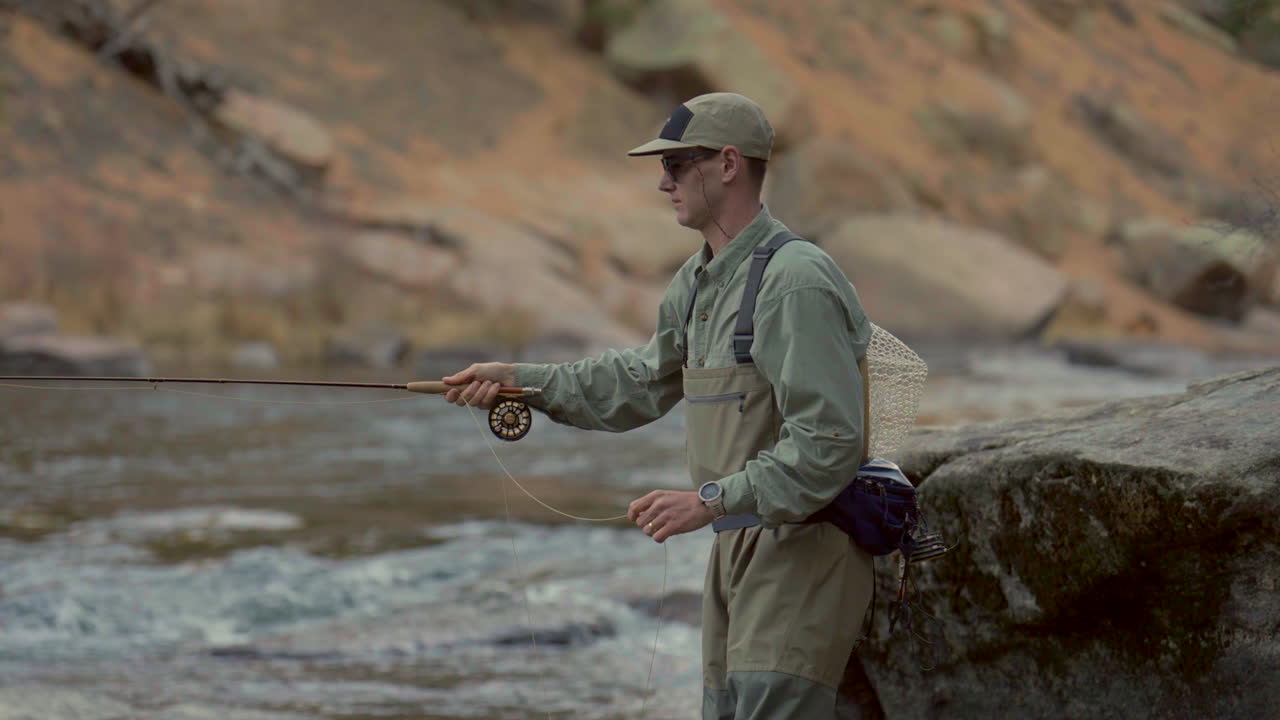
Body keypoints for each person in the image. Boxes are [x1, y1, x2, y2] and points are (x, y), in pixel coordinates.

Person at [443, 92, 875, 719]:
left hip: (806, 550)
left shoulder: (795, 280)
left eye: (677, 164)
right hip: (738, 545)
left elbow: (830, 444)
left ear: (728, 164)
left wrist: (707, 501)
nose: (661, 182)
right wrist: (518, 380)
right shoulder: (696, 281)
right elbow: (638, 384)